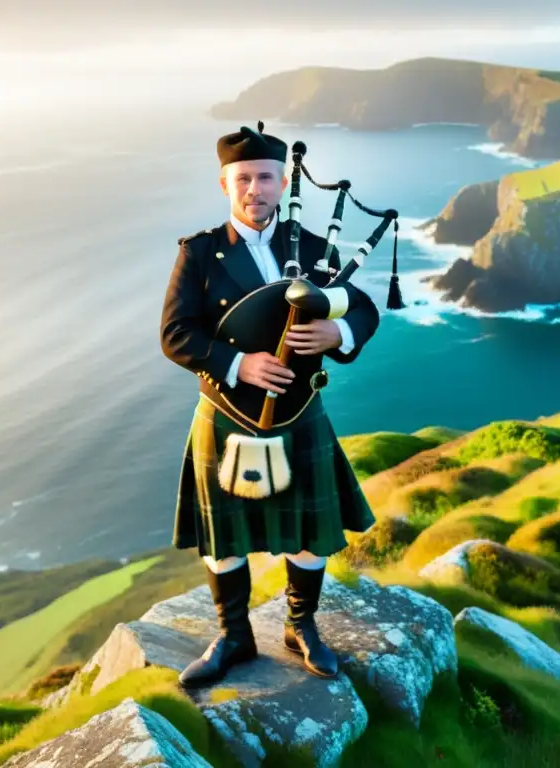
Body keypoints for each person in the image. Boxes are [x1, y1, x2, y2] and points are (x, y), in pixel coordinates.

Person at [159, 123, 380, 688]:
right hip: (227, 413)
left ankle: (301, 627)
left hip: (298, 411)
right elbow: (176, 334)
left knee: (309, 527)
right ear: (224, 184)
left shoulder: (312, 247)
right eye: (242, 180)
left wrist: (340, 335)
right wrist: (239, 364)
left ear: (282, 182)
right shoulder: (201, 254)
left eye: (264, 177)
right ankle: (233, 635)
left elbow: (362, 308)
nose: (253, 189)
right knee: (223, 537)